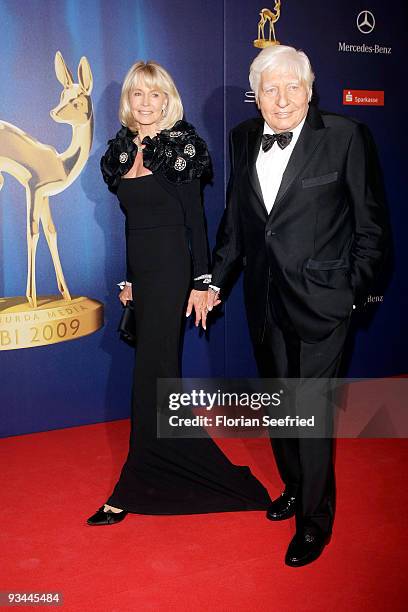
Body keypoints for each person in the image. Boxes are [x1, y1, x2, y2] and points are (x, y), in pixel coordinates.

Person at [207, 45, 389, 566]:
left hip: (324, 304)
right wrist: (214, 282)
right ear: (256, 95)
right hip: (264, 301)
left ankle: (314, 521)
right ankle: (293, 486)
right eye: (270, 88)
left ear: (310, 90)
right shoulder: (243, 137)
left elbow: (372, 228)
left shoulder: (347, 137)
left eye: (292, 87)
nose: (282, 98)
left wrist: (351, 292)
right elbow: (236, 227)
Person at [87, 60, 271, 526]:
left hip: (173, 273)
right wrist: (129, 279)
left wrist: (201, 282)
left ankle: (134, 483)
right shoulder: (120, 151)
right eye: (137, 95)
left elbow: (195, 221)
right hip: (144, 275)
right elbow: (132, 226)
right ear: (128, 102)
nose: (146, 104)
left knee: (153, 375)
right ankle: (161, 468)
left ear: (168, 100)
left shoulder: (182, 147)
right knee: (153, 378)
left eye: (155, 95)